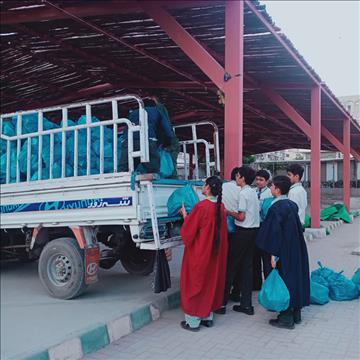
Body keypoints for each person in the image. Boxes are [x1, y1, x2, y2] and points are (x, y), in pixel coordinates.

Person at [256, 176, 310, 329]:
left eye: (272, 186)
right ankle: (296, 314)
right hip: (295, 248)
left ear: (277, 189)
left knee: (285, 280)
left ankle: (286, 318)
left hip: (283, 251)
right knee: (295, 278)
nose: (270, 188)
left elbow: (274, 234)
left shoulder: (276, 208)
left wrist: (274, 254)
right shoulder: (291, 205)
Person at [179, 176, 228, 331]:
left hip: (200, 251)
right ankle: (207, 317)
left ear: (208, 188)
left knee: (195, 283)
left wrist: (184, 215)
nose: (203, 186)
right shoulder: (220, 207)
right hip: (214, 252)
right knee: (209, 282)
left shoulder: (201, 206)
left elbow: (189, 231)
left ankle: (193, 321)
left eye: (205, 184)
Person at [216, 166, 259, 315]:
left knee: (231, 267)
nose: (236, 178)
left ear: (243, 178)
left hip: (242, 232)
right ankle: (246, 305)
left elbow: (241, 217)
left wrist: (227, 212)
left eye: (238, 176)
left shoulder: (243, 194)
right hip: (253, 232)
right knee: (247, 268)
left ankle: (221, 304)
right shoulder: (253, 192)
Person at [119, 98, 175, 173]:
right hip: (147, 140)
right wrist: (167, 143)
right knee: (152, 168)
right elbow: (167, 130)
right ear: (154, 106)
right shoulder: (157, 112)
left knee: (125, 168)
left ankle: (124, 179)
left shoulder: (133, 113)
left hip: (128, 141)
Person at [222, 167, 241, 302]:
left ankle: (223, 294)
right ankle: (235, 292)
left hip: (224, 228)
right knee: (237, 263)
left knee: (226, 262)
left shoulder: (223, 186)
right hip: (238, 228)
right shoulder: (244, 190)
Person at [253, 169, 273, 290]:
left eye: (261, 180)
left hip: (265, 227)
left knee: (266, 258)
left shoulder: (270, 193)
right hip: (255, 227)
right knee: (255, 257)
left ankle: (269, 284)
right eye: (257, 179)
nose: (258, 182)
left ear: (267, 181)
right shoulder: (253, 191)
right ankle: (256, 284)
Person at [151, 95, 180, 176]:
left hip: (168, 144)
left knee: (168, 163)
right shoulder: (161, 110)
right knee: (169, 165)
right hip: (168, 143)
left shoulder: (159, 109)